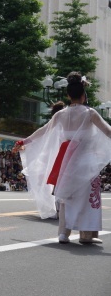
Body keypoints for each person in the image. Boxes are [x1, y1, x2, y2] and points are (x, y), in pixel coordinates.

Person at [15, 72, 111, 244]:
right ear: (84, 95)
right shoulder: (90, 113)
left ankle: (63, 233)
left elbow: (43, 130)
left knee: (66, 197)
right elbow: (108, 132)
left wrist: (24, 140)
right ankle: (86, 235)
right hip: (86, 161)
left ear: (68, 95)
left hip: (67, 161)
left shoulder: (61, 114)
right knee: (87, 198)